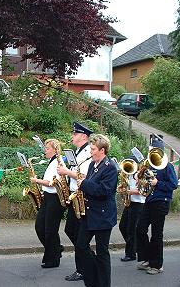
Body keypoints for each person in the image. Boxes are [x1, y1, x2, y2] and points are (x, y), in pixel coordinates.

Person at [75, 134, 118, 287]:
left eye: (93, 149)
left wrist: (84, 184)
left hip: (103, 217)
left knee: (102, 253)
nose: (90, 152)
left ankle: (104, 283)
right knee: (80, 246)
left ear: (102, 150)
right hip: (90, 214)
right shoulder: (93, 165)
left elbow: (104, 190)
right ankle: (93, 278)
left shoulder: (111, 168)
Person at [136, 137, 178, 275]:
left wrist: (157, 183)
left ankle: (157, 265)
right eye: (151, 150)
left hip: (161, 202)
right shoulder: (150, 165)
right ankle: (148, 257)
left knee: (156, 234)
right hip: (150, 200)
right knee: (140, 229)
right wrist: (139, 178)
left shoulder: (167, 166)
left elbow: (173, 185)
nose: (152, 153)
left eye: (154, 150)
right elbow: (145, 182)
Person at [57, 122, 93, 281]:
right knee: (71, 231)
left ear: (83, 136)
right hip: (73, 194)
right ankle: (88, 261)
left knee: (78, 234)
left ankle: (84, 268)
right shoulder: (78, 151)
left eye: (75, 134)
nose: (72, 136)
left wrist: (66, 172)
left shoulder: (87, 152)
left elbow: (84, 176)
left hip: (81, 196)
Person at [31, 139, 66, 268]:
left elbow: (51, 182)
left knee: (50, 230)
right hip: (48, 197)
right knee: (40, 226)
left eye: (47, 148)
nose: (45, 151)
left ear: (55, 150)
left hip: (55, 199)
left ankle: (53, 259)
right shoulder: (52, 162)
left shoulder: (58, 163)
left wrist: (37, 180)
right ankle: (56, 249)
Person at [118, 155, 145, 262]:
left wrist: (128, 192)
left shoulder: (140, 175)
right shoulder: (129, 174)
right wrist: (122, 188)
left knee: (131, 230)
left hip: (138, 204)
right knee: (122, 226)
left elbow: (143, 189)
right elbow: (127, 187)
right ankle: (135, 247)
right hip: (130, 203)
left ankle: (131, 254)